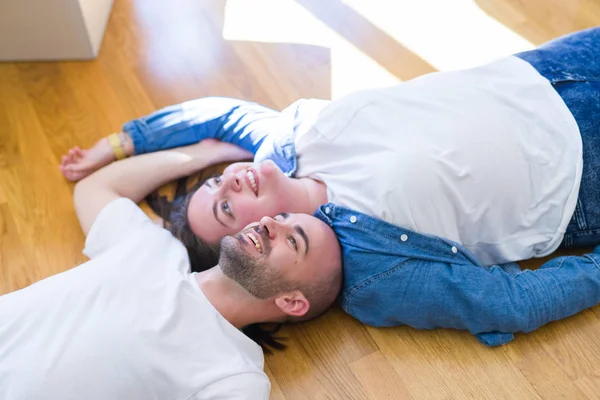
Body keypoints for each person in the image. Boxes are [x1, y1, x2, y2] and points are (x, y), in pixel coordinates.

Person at [60, 28, 600, 346]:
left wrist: (123, 141)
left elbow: (217, 114)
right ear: (255, 243)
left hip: (549, 70)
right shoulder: (371, 270)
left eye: (217, 182)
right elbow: (509, 305)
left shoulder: (285, 142)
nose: (232, 178)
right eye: (228, 207)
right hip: (582, 174)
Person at [1, 141, 343, 400]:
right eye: (279, 218)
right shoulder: (153, 247)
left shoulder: (234, 376)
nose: (267, 222)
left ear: (292, 302)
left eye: (294, 242)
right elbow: (94, 187)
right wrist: (197, 154)